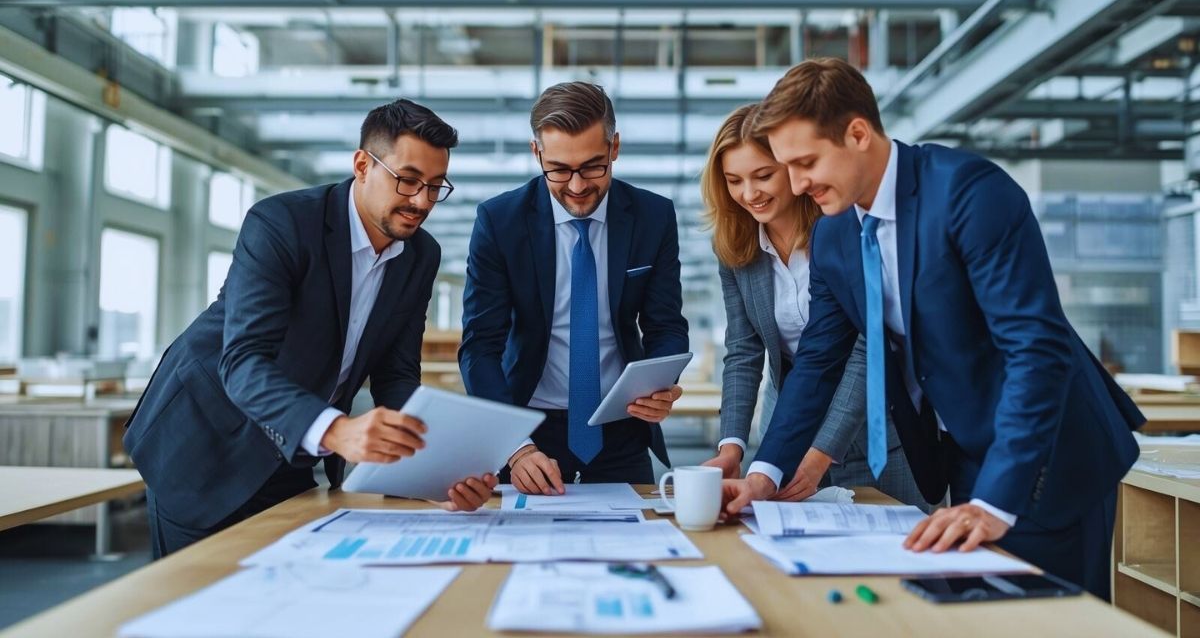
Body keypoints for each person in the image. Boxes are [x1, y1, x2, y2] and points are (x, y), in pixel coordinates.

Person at [721, 58, 1144, 598]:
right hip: (967, 449)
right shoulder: (834, 235)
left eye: (806, 162)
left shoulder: (970, 194)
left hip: (1046, 451)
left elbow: (1036, 352)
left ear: (857, 133)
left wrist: (994, 501)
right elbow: (818, 364)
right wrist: (765, 474)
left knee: (1051, 620)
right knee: (981, 617)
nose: (797, 185)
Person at [124, 99, 497, 558]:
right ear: (363, 164)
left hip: (292, 450)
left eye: (436, 186)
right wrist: (338, 430)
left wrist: (435, 470)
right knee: (194, 611)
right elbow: (242, 362)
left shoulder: (421, 256)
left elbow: (396, 374)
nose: (421, 201)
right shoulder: (282, 224)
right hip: (205, 445)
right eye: (408, 180)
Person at [460, 81, 689, 494]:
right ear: (537, 154)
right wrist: (514, 446)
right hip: (527, 431)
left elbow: (666, 324)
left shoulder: (653, 216)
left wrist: (660, 383)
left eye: (593, 166)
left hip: (621, 425)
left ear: (614, 147)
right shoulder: (500, 222)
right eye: (560, 170)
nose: (578, 186)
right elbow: (480, 346)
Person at [698, 104, 929, 511]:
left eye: (763, 175)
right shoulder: (734, 244)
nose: (749, 194)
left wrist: (824, 448)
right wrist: (732, 445)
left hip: (877, 428)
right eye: (734, 181)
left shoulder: (844, 230)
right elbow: (744, 349)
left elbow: (865, 346)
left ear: (790, 167)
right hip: (787, 428)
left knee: (896, 554)